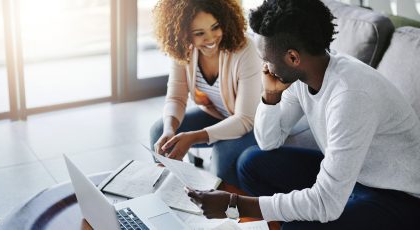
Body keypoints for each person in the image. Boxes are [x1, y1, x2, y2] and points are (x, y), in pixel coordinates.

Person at [186, 0, 420, 228]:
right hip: (354, 177)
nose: (264, 68)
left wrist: (235, 205)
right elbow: (268, 141)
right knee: (251, 162)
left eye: (266, 59)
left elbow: (326, 203)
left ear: (293, 58)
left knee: (299, 226)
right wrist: (270, 96)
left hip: (397, 197)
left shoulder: (350, 95)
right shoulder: (304, 73)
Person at [149, 0, 262, 186]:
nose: (210, 38)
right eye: (199, 33)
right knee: (159, 131)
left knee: (222, 153)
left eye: (215, 27)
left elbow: (245, 119)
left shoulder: (245, 49)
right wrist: (170, 129)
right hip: (220, 115)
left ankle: (222, 209)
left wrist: (194, 136)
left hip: (254, 124)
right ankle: (170, 194)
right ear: (183, 34)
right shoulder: (184, 50)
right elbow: (176, 97)